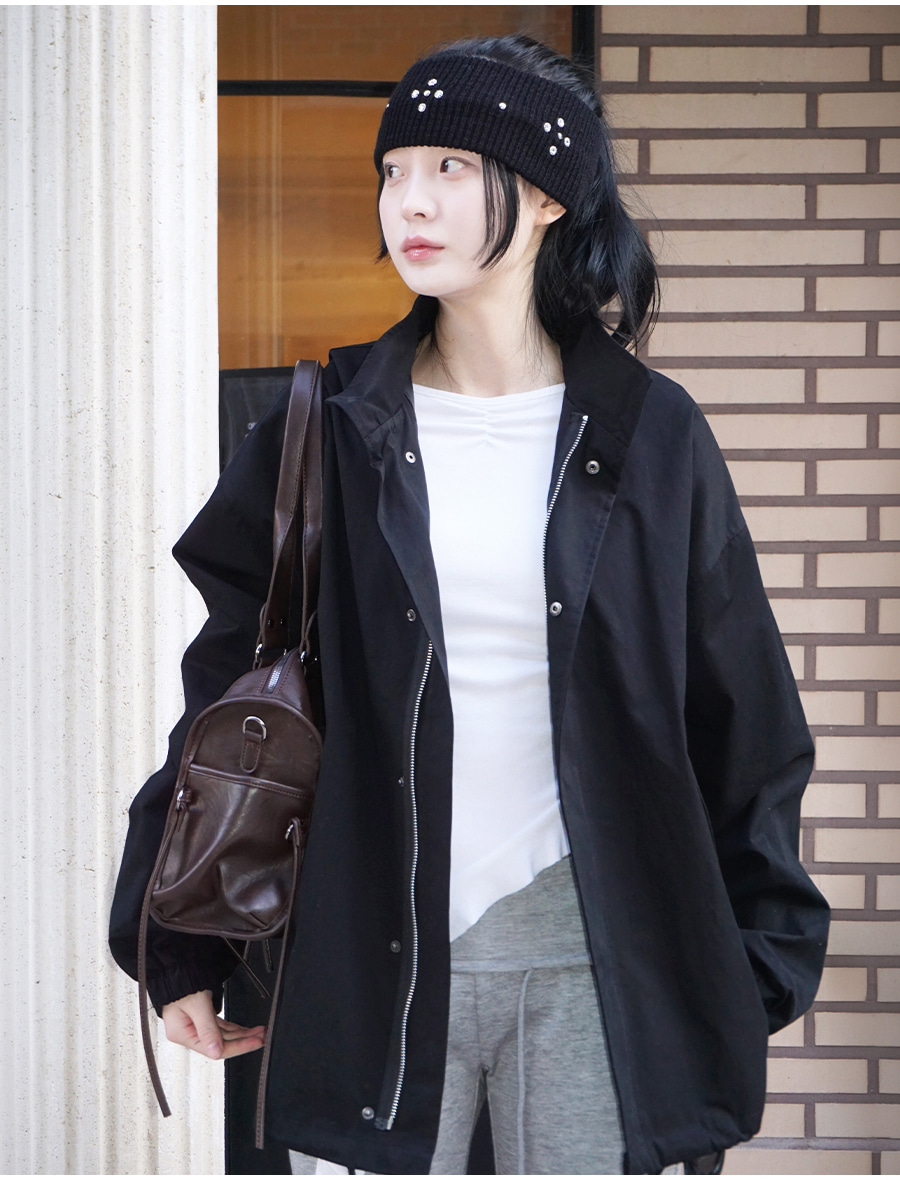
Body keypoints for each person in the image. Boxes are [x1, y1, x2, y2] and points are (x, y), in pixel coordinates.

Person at [110, 34, 830, 1176]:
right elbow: (225, 696)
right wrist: (180, 941)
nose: (410, 200)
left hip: (598, 958)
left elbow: (743, 715)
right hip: (367, 957)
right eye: (395, 170)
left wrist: (759, 961)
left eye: (450, 167)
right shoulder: (327, 425)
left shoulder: (651, 434)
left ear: (546, 196)